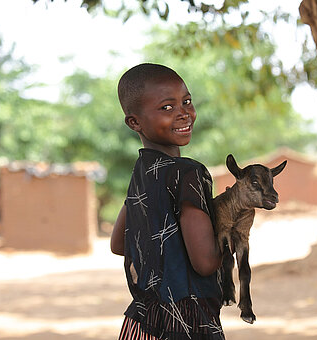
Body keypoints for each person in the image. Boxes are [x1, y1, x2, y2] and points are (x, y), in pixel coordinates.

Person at [110, 63, 225, 340]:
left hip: (144, 320)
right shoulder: (188, 173)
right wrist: (230, 234)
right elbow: (205, 262)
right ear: (134, 122)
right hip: (186, 323)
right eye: (167, 108)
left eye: (186, 101)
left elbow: (118, 244)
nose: (184, 113)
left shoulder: (142, 172)